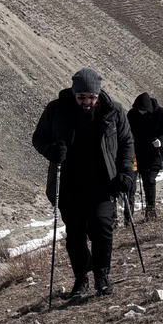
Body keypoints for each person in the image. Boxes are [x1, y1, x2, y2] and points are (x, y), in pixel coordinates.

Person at [32, 68, 134, 302]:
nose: (87, 102)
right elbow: (38, 138)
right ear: (74, 93)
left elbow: (127, 142)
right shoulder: (56, 109)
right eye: (82, 98)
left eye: (91, 98)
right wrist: (51, 150)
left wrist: (126, 172)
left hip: (103, 182)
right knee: (75, 236)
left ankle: (101, 275)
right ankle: (81, 278)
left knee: (101, 228)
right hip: (69, 183)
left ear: (98, 94)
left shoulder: (113, 111)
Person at [127, 93, 163, 221]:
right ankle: (129, 216)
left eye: (144, 110)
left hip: (156, 153)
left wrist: (161, 140)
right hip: (137, 152)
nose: (141, 112)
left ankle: (150, 210)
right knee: (131, 180)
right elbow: (126, 131)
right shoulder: (132, 114)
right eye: (139, 110)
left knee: (149, 179)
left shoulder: (160, 113)